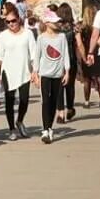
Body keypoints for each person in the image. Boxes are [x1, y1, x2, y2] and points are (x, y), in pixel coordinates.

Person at [0, 4, 35, 139]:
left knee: (24, 100)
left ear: (19, 19)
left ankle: (20, 120)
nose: (11, 24)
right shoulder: (3, 36)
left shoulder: (28, 34)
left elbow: (33, 54)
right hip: (8, 71)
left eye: (13, 21)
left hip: (25, 71)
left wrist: (35, 71)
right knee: (9, 100)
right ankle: (11, 129)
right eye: (8, 22)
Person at [32, 8, 70, 143]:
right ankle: (45, 130)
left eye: (57, 21)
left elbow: (65, 55)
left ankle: (50, 127)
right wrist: (35, 73)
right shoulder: (42, 38)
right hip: (45, 74)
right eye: (54, 22)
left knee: (54, 101)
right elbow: (37, 56)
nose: (57, 24)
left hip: (57, 74)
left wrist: (67, 71)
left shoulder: (62, 37)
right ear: (47, 23)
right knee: (45, 101)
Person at [55, 2, 80, 122]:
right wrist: (85, 57)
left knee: (59, 86)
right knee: (70, 86)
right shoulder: (74, 28)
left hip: (58, 60)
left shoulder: (56, 28)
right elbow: (79, 44)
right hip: (71, 59)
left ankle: (60, 113)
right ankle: (70, 108)